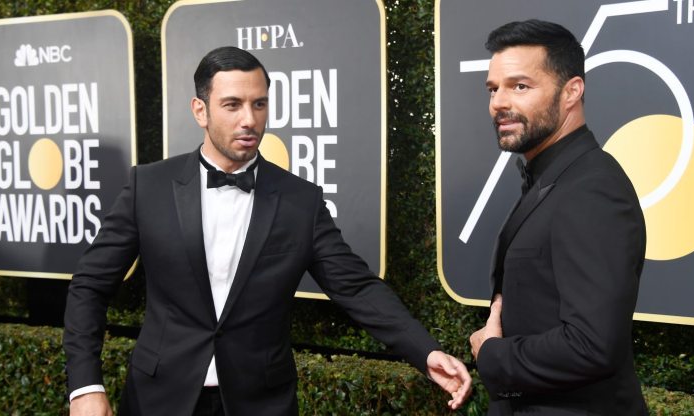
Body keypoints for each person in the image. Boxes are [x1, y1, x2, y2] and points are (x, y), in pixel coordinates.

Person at [64, 46, 472, 416]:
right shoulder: (147, 187)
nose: (249, 119)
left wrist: (426, 351)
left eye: (259, 104)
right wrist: (84, 385)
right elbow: (90, 285)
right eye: (232, 105)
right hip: (158, 398)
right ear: (200, 110)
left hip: (260, 402)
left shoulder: (300, 201)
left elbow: (358, 288)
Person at [467, 20, 648, 415]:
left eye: (520, 86)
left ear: (572, 92)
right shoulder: (551, 178)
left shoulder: (592, 188)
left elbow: (592, 343)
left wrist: (495, 356)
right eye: (493, 88)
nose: (498, 102)